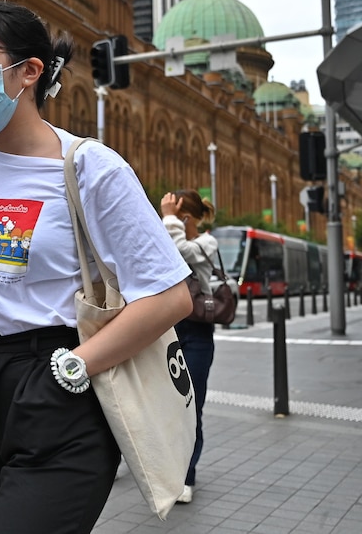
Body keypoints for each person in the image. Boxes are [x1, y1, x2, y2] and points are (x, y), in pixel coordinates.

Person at [0, 0, 193, 533]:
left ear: (29, 71)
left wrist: (74, 367)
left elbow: (170, 295)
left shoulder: (89, 165)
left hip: (62, 378)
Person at [159, 189, 218, 504]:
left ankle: (187, 475)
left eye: (177, 217)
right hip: (166, 329)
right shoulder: (172, 231)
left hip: (196, 330)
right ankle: (165, 468)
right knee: (164, 404)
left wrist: (168, 220)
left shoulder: (206, 243)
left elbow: (178, 252)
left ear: (186, 218)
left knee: (191, 405)